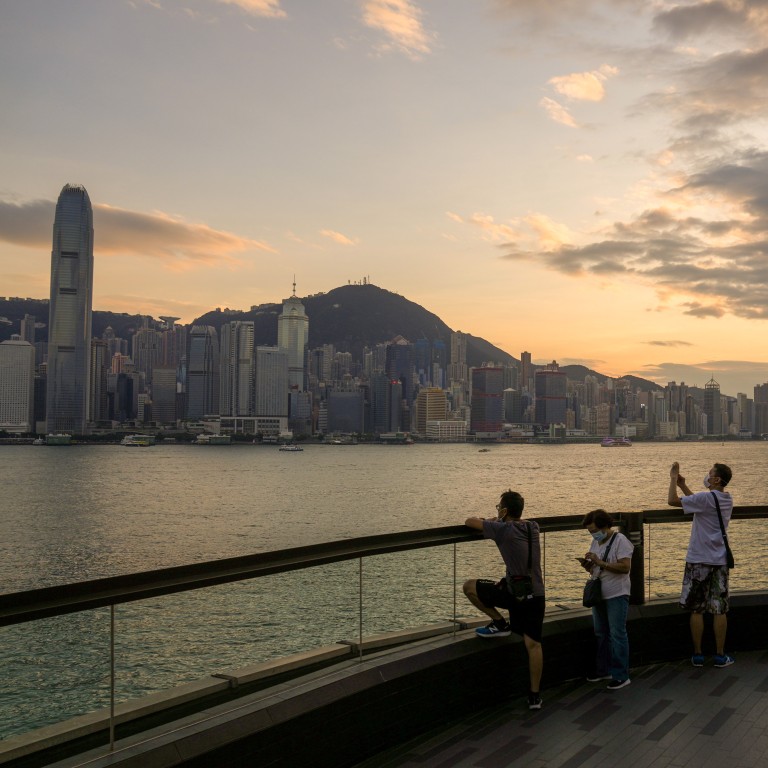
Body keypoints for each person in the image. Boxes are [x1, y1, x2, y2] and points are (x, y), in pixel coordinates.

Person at [463, 489, 545, 710]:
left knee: (469, 587)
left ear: (505, 510)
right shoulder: (533, 527)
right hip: (537, 593)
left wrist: (492, 520)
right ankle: (535, 697)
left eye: (499, 507)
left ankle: (499, 623)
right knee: (533, 644)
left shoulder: (503, 529)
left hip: (514, 594)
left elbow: (469, 521)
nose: (497, 511)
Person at [668, 461, 735, 668]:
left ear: (716, 479)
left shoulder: (705, 498)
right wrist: (683, 486)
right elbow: (698, 502)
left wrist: (673, 480)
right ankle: (720, 655)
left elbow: (672, 501)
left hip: (698, 559)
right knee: (719, 609)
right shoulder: (726, 499)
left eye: (710, 473)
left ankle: (697, 654)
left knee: (697, 609)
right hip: (720, 559)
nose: (707, 476)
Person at [579, 509, 634, 689]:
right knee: (601, 633)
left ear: (605, 526)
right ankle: (603, 669)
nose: (593, 534)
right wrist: (589, 566)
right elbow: (598, 568)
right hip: (599, 594)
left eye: (594, 530)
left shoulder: (621, 541)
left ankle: (621, 674)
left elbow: (625, 567)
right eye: (590, 531)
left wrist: (600, 563)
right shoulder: (596, 543)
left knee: (617, 634)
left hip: (617, 593)